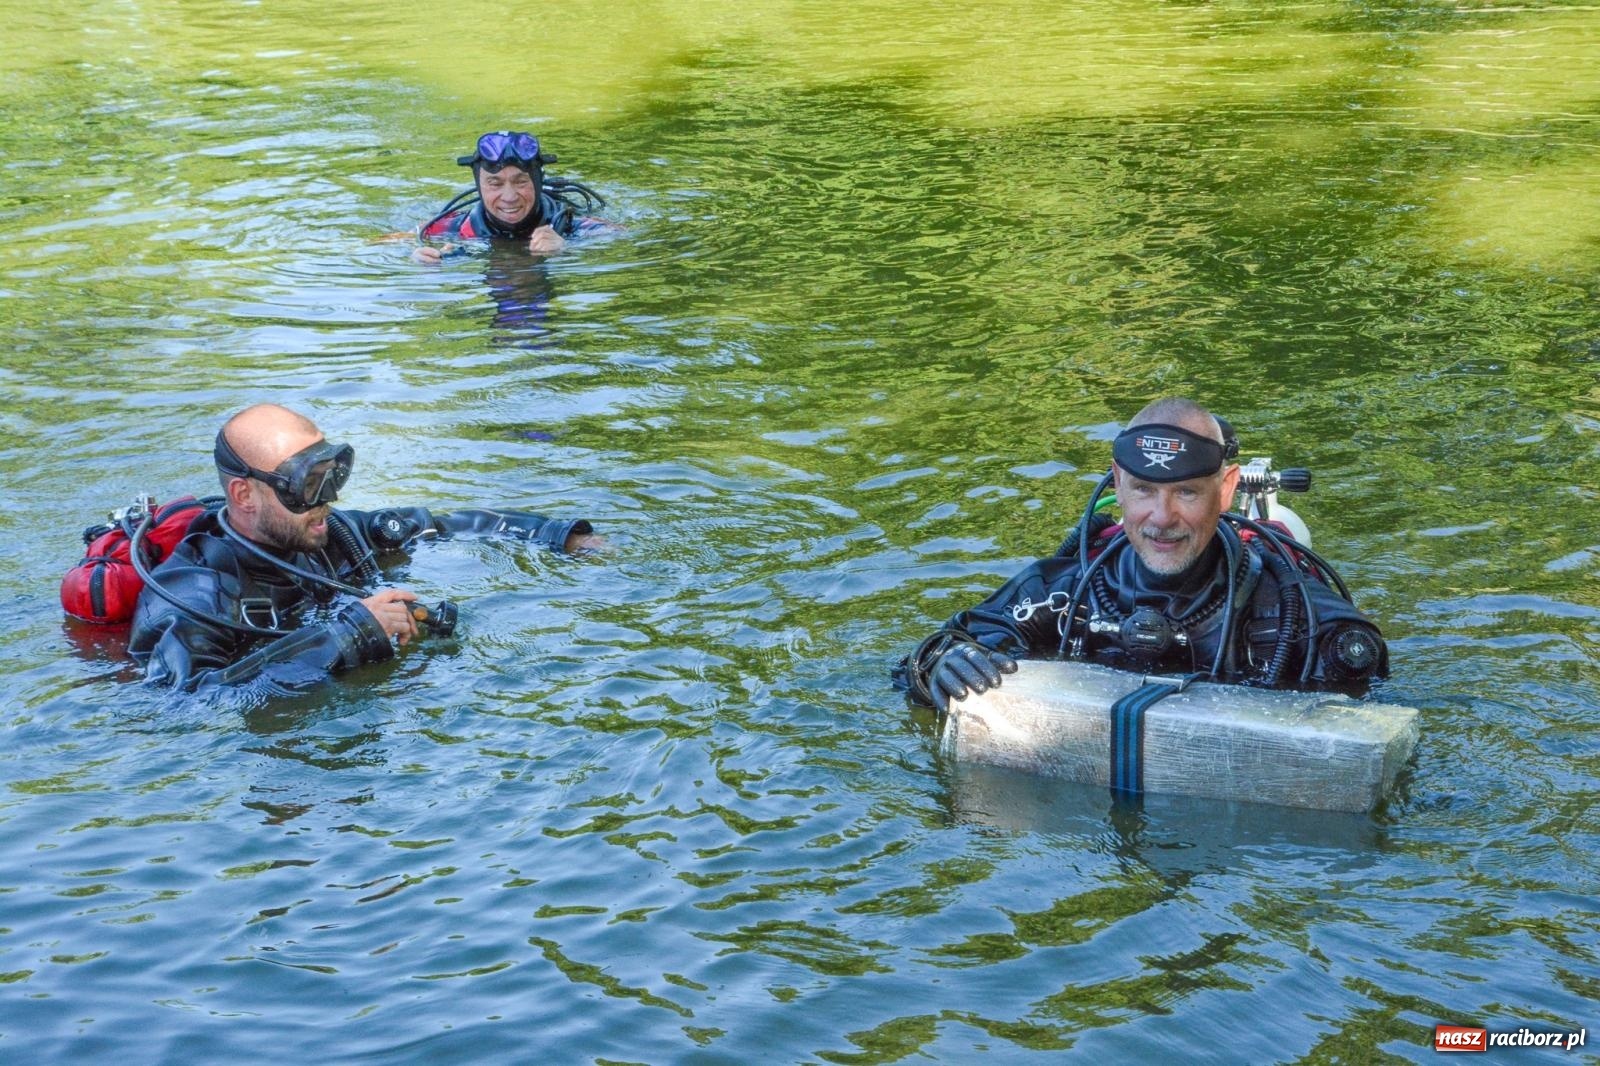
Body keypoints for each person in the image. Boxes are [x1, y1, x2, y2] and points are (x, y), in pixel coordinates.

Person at [898, 397, 1388, 714]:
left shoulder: (1283, 605)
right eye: (1144, 490)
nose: (1161, 517)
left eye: (1187, 494)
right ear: (1117, 483)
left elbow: (1369, 684)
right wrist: (941, 663)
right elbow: (927, 657)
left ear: (1227, 488)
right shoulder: (1064, 594)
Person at [129, 404, 600, 694]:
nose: (328, 501)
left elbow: (437, 525)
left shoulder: (326, 533)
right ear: (244, 496)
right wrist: (347, 636)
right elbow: (189, 702)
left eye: (330, 477)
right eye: (305, 487)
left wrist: (556, 536)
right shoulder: (191, 594)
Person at [413, 131, 607, 264]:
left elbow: (622, 236)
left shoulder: (567, 224)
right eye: (495, 184)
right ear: (479, 187)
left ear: (538, 183)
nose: (509, 197)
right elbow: (392, 240)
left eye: (521, 182)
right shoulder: (458, 226)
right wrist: (415, 256)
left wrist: (568, 249)